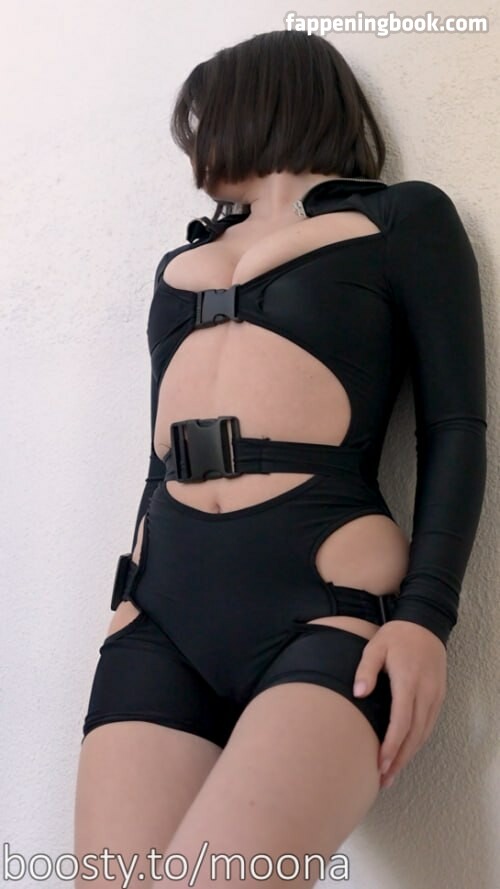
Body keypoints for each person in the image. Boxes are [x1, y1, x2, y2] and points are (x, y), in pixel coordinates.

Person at [74, 29, 487, 889]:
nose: (195, 150)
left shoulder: (403, 219)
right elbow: (161, 451)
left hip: (325, 611)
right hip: (161, 617)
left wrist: (427, 618)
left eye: (201, 122)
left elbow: (454, 427)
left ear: (257, 105)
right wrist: (128, 594)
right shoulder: (179, 262)